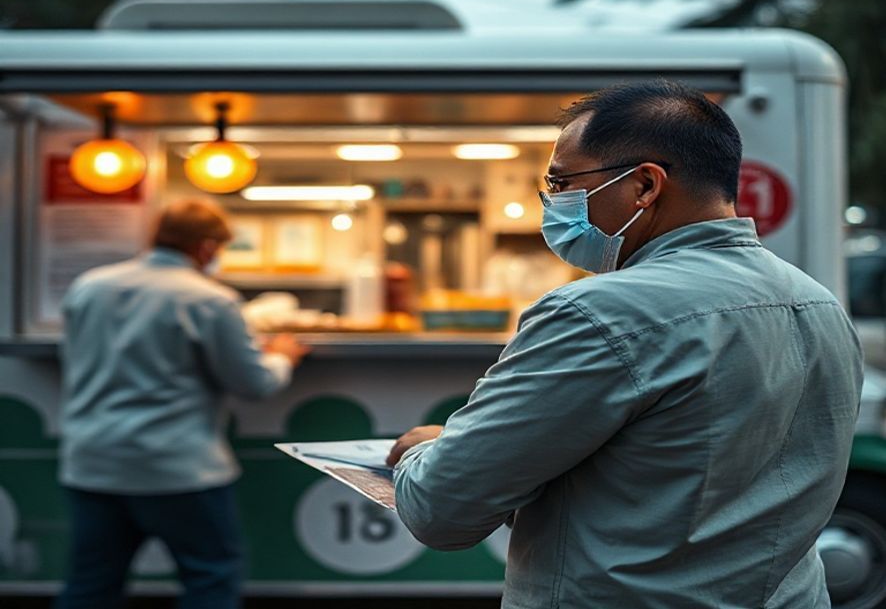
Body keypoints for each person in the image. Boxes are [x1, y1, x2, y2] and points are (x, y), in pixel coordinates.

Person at [388, 80, 863, 608]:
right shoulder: (818, 305)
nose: (553, 202)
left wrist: (425, 450)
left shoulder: (599, 315)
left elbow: (443, 510)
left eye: (563, 182)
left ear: (644, 186)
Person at [56, 198, 308, 609]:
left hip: (92, 462)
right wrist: (282, 356)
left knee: (90, 586)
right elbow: (254, 383)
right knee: (210, 578)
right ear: (207, 247)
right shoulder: (209, 300)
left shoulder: (89, 286)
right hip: (177, 468)